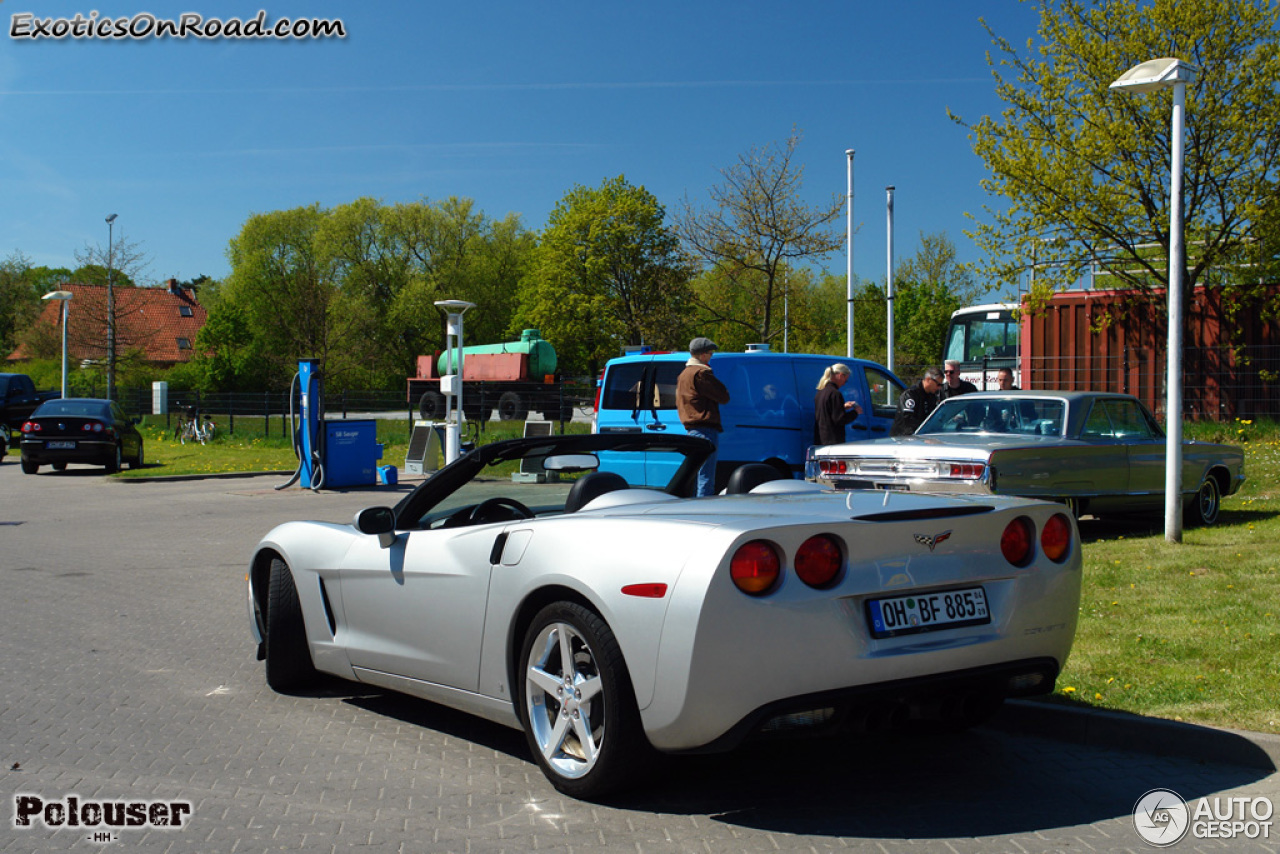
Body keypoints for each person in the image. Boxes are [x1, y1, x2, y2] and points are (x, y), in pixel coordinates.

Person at [676, 337, 731, 496]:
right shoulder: (701, 373)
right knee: (706, 477)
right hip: (705, 429)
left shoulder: (684, 374)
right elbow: (723, 396)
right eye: (710, 353)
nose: (711, 356)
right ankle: (705, 511)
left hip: (691, 429)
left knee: (694, 475)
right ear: (702, 355)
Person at [813, 363, 862, 446]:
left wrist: (842, 407)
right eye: (846, 380)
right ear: (841, 376)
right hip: (833, 441)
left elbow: (826, 412)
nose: (844, 383)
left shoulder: (820, 392)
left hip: (820, 439)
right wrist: (855, 412)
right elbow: (840, 419)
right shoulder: (835, 394)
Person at [891, 367, 944, 436]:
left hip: (922, 437)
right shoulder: (910, 394)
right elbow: (907, 419)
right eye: (938, 384)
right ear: (928, 380)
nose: (939, 388)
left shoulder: (932, 396)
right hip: (904, 438)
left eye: (941, 385)